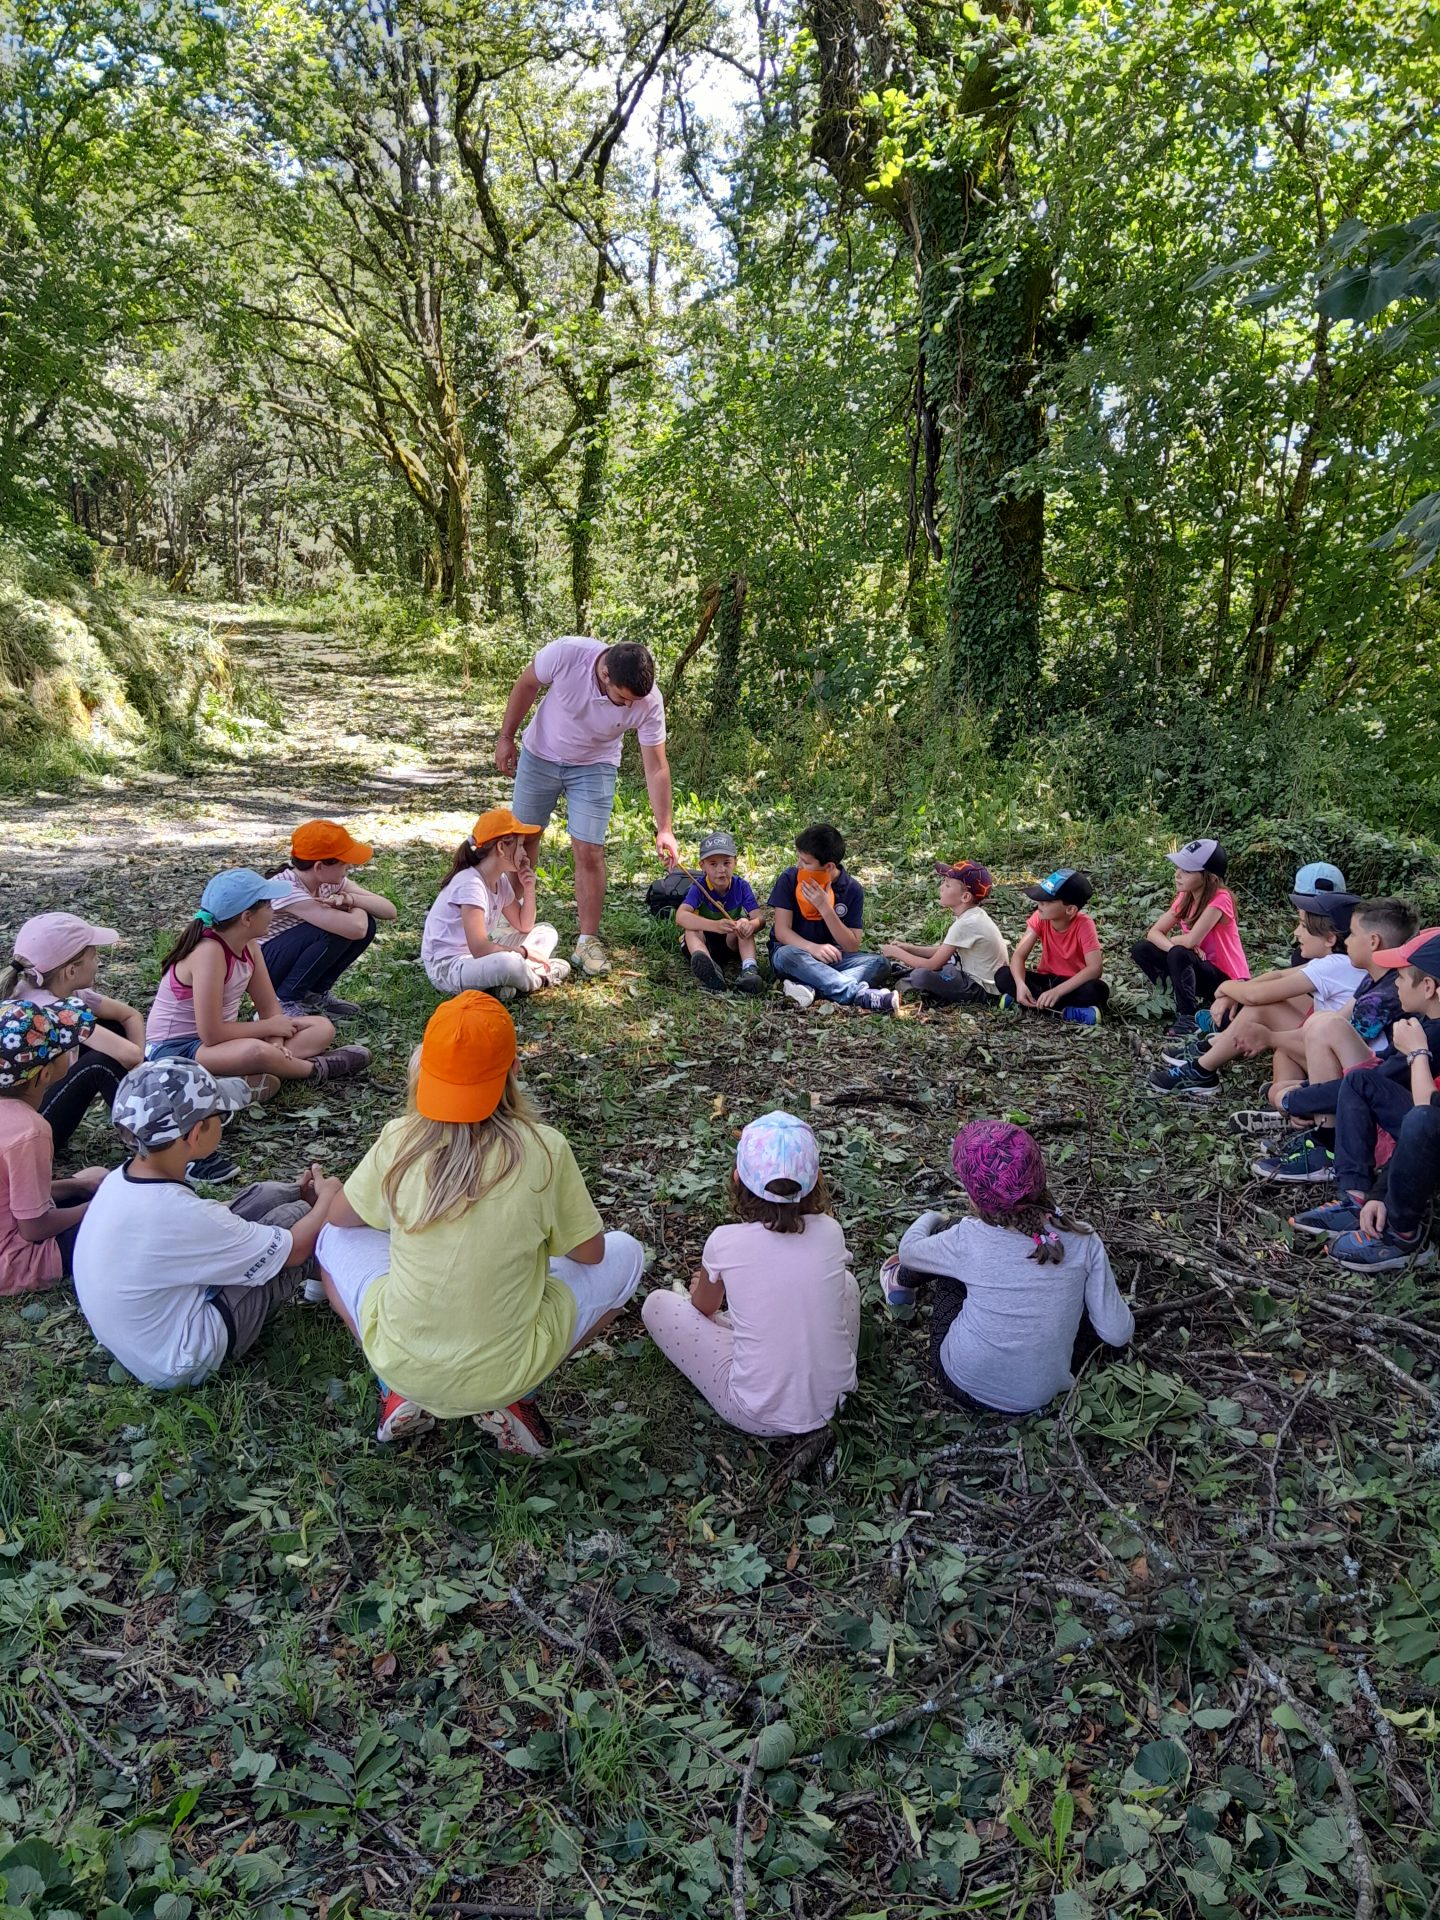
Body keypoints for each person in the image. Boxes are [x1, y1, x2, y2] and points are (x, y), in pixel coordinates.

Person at [315, 991, 644, 1451]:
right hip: (509, 1370)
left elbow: (340, 1217)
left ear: (425, 1070)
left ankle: (396, 1390)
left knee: (331, 1238)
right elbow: (592, 1253)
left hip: (403, 1361)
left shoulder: (400, 1138)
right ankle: (516, 1399)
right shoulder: (545, 1149)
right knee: (628, 1253)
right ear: (513, 1071)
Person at [73, 1059, 341, 1386]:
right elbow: (295, 1249)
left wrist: (292, 1195)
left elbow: (206, 1221)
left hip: (141, 1339)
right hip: (183, 1359)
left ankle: (324, 1264)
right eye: (220, 1115)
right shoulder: (178, 1215)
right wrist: (328, 1198)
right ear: (197, 1132)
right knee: (294, 1219)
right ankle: (335, 1274)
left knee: (270, 1196)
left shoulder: (123, 1179)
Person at [881, 1119, 1134, 1415]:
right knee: (1082, 1307)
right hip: (1041, 1396)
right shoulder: (1083, 1238)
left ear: (974, 1196)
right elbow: (1117, 1334)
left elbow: (909, 1252)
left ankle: (898, 1283)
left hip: (961, 1382)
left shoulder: (968, 1237)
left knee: (948, 1248)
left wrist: (931, 1217)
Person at [642, 1110, 859, 1436]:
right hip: (837, 1403)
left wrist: (706, 1286)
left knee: (657, 1304)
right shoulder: (830, 1231)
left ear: (737, 1180)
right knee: (848, 1283)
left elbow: (704, 1310)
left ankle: (752, 1335)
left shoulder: (724, 1242)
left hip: (756, 1413)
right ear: (818, 1180)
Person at [147, 869, 370, 1182]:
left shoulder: (250, 946)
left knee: (321, 1027)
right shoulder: (209, 952)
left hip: (217, 1044)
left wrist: (276, 1039)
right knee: (255, 1050)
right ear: (247, 917)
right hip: (175, 1051)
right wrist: (268, 1034)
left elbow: (269, 1009)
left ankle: (242, 1083)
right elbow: (210, 1033)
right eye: (268, 905)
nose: (273, 910)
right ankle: (316, 1069)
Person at [494, 637, 680, 978]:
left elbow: (657, 766)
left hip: (596, 765)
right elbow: (527, 683)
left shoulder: (648, 700)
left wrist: (664, 828)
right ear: (605, 673)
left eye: (633, 702)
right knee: (522, 841)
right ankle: (508, 929)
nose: (627, 707)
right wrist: (507, 736)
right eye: (623, 698)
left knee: (590, 850)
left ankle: (587, 942)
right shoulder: (567, 654)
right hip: (541, 755)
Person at [1288, 930, 1440, 1272]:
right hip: (1427, 1134)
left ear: (1428, 987)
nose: (1396, 985)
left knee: (1421, 1118)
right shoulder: (1426, 1025)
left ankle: (1403, 1235)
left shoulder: (1428, 1037)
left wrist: (1418, 1053)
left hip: (1429, 1130)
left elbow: (1424, 1118)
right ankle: (1355, 1197)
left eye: (1401, 977)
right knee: (1359, 1080)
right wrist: (1376, 1194)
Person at [1252, 897, 1418, 1185]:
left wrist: (1297, 1097)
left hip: (1376, 1100)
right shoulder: (1374, 979)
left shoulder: (1388, 994)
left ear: (1374, 941)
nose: (1348, 941)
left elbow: (1354, 1051)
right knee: (1319, 1024)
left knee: (1323, 1026)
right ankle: (1320, 1133)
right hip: (1364, 1082)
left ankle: (1327, 1144)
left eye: (1352, 934)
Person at [1148, 893, 1365, 1101]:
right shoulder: (1337, 963)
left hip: (1342, 1067)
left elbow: (1255, 997)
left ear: (1329, 938)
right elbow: (1277, 975)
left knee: (1261, 1009)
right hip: (1338, 1059)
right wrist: (1236, 989)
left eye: (1304, 927)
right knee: (1282, 1048)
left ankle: (1202, 1070)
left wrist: (1226, 987)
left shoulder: (1335, 965)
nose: (1296, 932)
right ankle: (1289, 1103)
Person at [2, 911, 145, 1154]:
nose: (98, 962)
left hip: (21, 1110)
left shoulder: (28, 987)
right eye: (94, 956)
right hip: (26, 1132)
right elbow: (130, 1055)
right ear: (71, 970)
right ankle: (160, 1141)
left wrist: (140, 1068)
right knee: (100, 1062)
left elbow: (130, 1015)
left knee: (112, 1029)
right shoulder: (54, 1010)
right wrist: (143, 1071)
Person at [0, 997, 109, 1294]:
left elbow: (13, 1197)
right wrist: (99, 1207)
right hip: (18, 1262)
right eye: (64, 1048)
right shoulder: (29, 1131)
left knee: (92, 1177)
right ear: (44, 1074)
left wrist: (76, 1187)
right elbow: (34, 1228)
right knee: (126, 1221)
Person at [421, 808, 571, 998]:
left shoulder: (499, 881)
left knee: (546, 932)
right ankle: (541, 978)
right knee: (508, 964)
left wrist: (529, 888)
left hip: (477, 959)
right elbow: (480, 948)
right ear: (501, 848)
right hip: (449, 968)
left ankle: (503, 985)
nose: (525, 853)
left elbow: (524, 925)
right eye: (521, 845)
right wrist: (524, 952)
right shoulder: (470, 884)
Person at [259, 819, 397, 1018]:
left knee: (366, 923)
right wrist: (351, 905)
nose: (348, 867)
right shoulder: (287, 889)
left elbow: (389, 910)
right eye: (343, 863)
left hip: (282, 957)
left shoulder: (327, 881)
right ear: (319, 867)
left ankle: (313, 995)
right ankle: (283, 1002)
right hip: (261, 967)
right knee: (339, 928)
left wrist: (351, 898)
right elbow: (355, 928)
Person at [767, 823, 896, 1014]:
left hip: (832, 957)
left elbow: (852, 945)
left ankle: (808, 987)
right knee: (787, 955)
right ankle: (858, 995)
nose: (798, 865)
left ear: (828, 866)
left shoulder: (851, 889)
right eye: (799, 859)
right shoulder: (790, 878)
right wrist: (813, 948)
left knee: (880, 964)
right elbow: (782, 931)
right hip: (794, 953)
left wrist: (825, 908)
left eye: (806, 862)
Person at [1131, 839, 1249, 1036]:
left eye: (1186, 870)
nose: (1177, 874)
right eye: (1178, 867)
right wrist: (1173, 948)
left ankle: (1187, 1017)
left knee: (1179, 953)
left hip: (1227, 980)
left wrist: (1178, 945)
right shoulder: (1185, 897)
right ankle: (1176, 996)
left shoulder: (1221, 898)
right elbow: (1153, 933)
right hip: (1198, 969)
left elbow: (1190, 941)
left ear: (1209, 877)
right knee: (1142, 949)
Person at [883, 859, 1008, 1006]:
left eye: (947, 885)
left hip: (981, 989)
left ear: (965, 897)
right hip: (971, 975)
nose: (941, 887)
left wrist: (895, 952)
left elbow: (932, 965)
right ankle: (905, 975)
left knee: (921, 975)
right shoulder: (973, 915)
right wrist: (909, 948)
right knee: (946, 966)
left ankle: (903, 982)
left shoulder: (965, 924)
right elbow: (943, 951)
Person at [994, 870, 1108, 1025]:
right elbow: (1018, 956)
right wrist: (1020, 985)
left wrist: (1057, 992)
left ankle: (1026, 1002)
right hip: (1045, 979)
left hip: (1070, 984)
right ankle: (1065, 1011)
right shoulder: (1040, 917)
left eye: (1048, 901)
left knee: (1098, 990)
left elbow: (1095, 968)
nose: (1040, 904)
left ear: (1070, 910)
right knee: (1003, 974)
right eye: (1040, 899)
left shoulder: (1084, 924)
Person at [674, 831, 766, 996]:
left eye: (726, 863)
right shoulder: (699, 887)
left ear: (735, 862)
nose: (721, 870)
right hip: (703, 943)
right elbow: (681, 916)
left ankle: (749, 970)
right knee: (691, 930)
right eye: (713, 864)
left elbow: (759, 918)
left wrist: (749, 925)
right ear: (702, 866)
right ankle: (708, 967)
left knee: (743, 922)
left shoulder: (741, 886)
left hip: (729, 942)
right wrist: (715, 926)